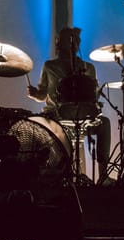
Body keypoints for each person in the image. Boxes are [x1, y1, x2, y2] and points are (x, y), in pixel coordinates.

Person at [28, 27, 111, 184]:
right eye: (68, 40)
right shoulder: (49, 66)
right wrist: (35, 94)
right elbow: (42, 94)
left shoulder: (88, 68)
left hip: (82, 118)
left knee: (104, 123)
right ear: (60, 43)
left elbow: (93, 95)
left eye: (75, 40)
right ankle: (49, 175)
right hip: (55, 117)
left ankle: (103, 175)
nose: (73, 43)